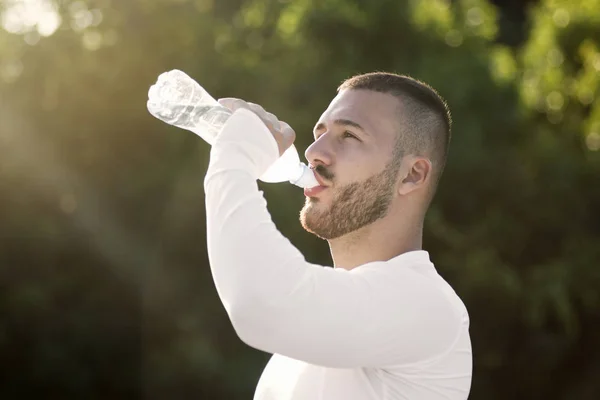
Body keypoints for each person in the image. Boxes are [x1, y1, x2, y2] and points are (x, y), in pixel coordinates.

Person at [203, 72, 472, 400]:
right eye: (319, 134)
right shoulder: (303, 343)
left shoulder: (429, 307)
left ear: (412, 175)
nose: (314, 152)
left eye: (348, 136)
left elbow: (261, 304)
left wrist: (235, 157)